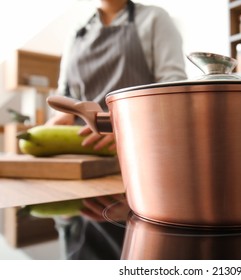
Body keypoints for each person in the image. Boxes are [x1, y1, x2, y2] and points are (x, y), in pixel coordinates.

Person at [47, 0, 187, 259]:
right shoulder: (76, 32)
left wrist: (129, 131)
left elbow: (172, 92)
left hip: (140, 163)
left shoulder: (155, 18)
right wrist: (58, 121)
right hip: (86, 160)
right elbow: (66, 96)